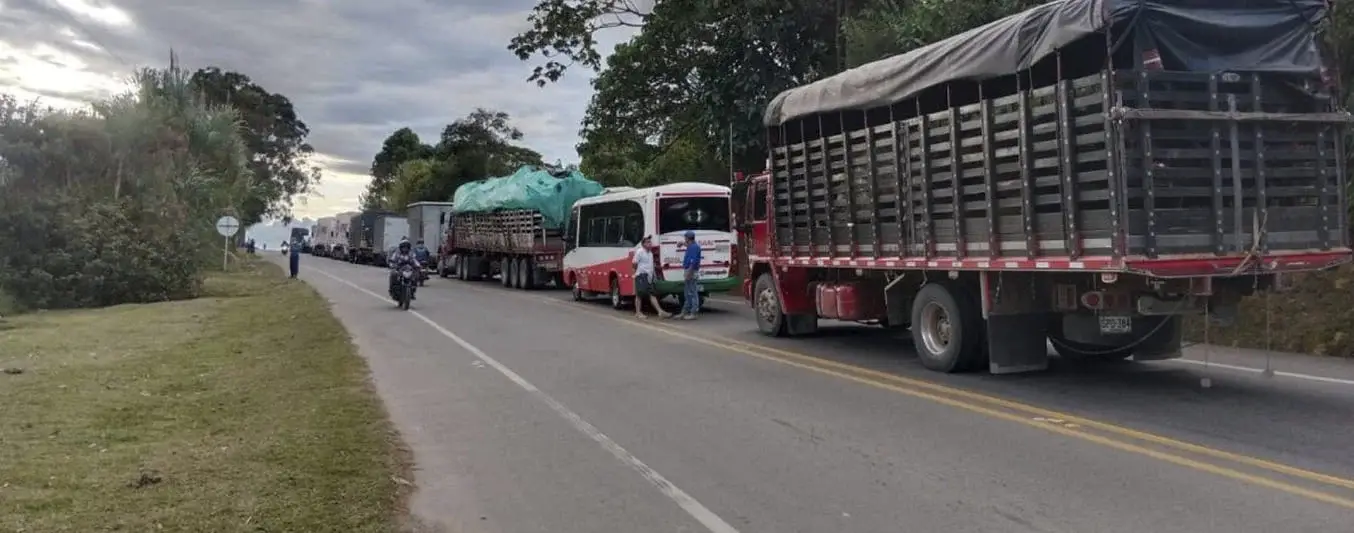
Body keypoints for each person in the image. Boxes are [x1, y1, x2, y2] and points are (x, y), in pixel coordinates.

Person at [631, 236, 672, 319]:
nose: (650, 244)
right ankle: (638, 313)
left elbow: (651, 266)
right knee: (639, 294)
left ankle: (660, 312)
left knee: (652, 294)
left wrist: (658, 271)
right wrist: (636, 273)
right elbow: (634, 263)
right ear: (643, 244)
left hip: (649, 277)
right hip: (641, 276)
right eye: (648, 242)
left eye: (650, 242)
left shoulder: (650, 253)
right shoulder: (640, 252)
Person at [678, 230, 702, 320]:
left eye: (685, 238)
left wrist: (689, 272)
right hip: (689, 270)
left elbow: (694, 261)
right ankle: (684, 312)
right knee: (687, 292)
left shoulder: (694, 247)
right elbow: (687, 245)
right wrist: (682, 244)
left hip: (691, 271)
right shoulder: (692, 245)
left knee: (692, 292)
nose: (685, 239)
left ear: (688, 238)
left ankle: (693, 312)